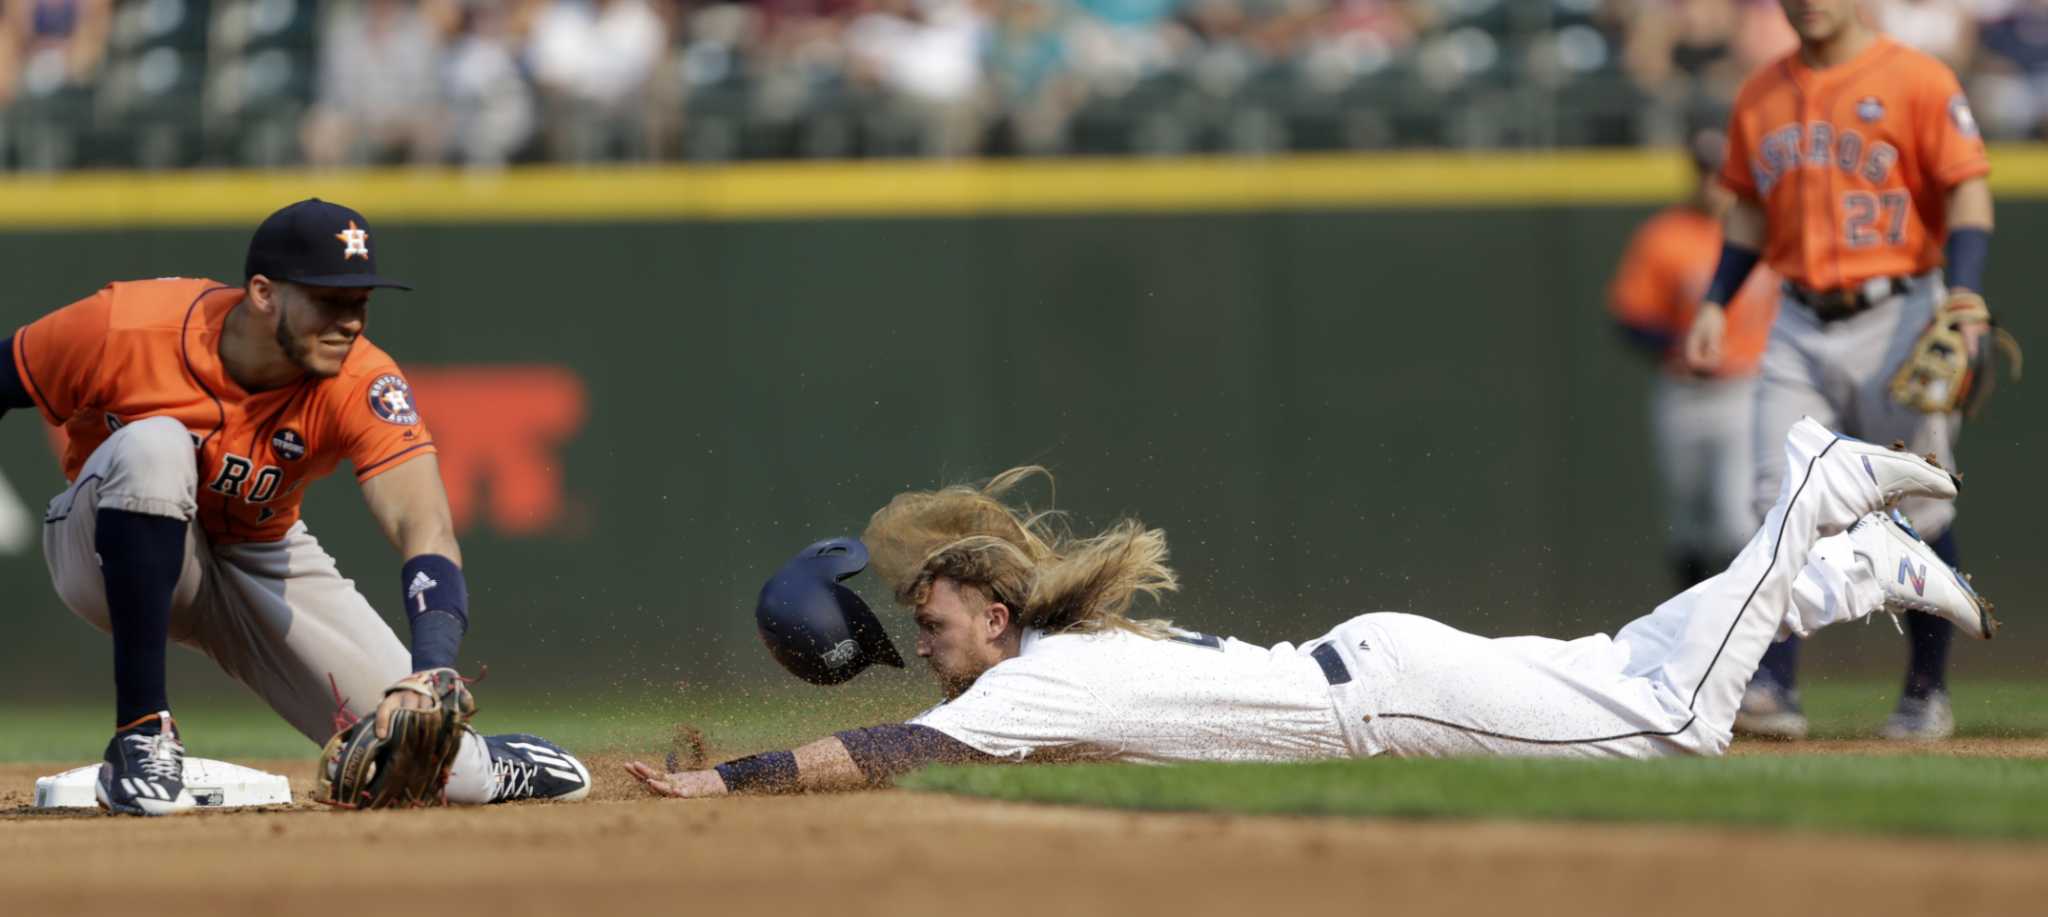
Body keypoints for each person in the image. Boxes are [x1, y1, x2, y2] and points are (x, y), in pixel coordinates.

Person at [625, 419, 1994, 798]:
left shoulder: (1032, 683)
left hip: (1394, 698)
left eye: (930, 617)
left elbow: (897, 752)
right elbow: (940, 711)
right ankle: (1846, 573)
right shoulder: (1043, 655)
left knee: (1675, 723)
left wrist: (728, 783)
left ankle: (1808, 496)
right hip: (1381, 665)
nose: (920, 643)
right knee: (1632, 657)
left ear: (991, 607)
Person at [0, 198, 592, 815]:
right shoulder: (126, 326)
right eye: (329, 302)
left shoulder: (360, 380)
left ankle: (491, 763)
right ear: (262, 293)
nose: (350, 323)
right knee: (156, 442)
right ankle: (142, 735)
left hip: (258, 554)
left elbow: (425, 526)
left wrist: (432, 670)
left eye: (360, 303)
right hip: (101, 544)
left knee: (432, 770)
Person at [1681, 0, 1994, 740]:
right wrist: (1717, 301)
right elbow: (1750, 212)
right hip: (1796, 318)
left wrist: (1966, 293)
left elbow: (1968, 189)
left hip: (1900, 313)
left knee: (1919, 506)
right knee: (1782, 498)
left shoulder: (1916, 78)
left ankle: (1926, 691)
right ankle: (1773, 687)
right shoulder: (1760, 93)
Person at [1608, 126, 1780, 592]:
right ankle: (1688, 637)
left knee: (1735, 518)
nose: (1713, 184)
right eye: (1705, 173)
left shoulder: (1770, 231)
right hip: (1683, 391)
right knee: (1687, 523)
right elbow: (1630, 316)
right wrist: (1674, 344)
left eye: (1722, 173)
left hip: (1746, 390)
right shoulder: (1665, 235)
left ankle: (1743, 639)